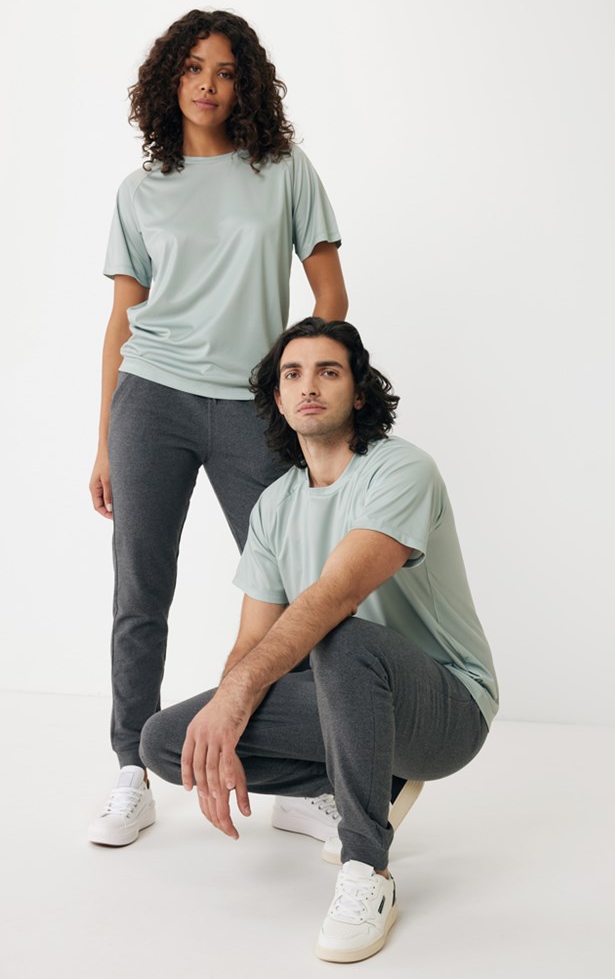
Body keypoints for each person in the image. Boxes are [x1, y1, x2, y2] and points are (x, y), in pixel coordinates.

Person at [139, 317, 499, 963]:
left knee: (340, 637)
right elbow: (251, 640)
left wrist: (237, 700)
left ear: (357, 393)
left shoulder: (401, 470)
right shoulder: (274, 505)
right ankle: (365, 780)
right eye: (293, 374)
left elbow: (337, 595)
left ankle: (367, 867)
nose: (309, 385)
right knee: (171, 741)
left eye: (328, 372)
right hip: (350, 702)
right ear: (277, 399)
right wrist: (224, 708)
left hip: (446, 709)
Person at [87, 10, 347, 846]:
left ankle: (302, 782)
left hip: (250, 408)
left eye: (226, 71)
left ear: (247, 85)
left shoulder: (283, 171)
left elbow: (330, 295)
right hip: (151, 399)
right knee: (140, 588)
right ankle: (132, 770)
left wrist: (296, 385)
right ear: (170, 79)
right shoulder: (139, 191)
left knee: (292, 593)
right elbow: (121, 322)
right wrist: (104, 441)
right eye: (193, 67)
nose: (207, 84)